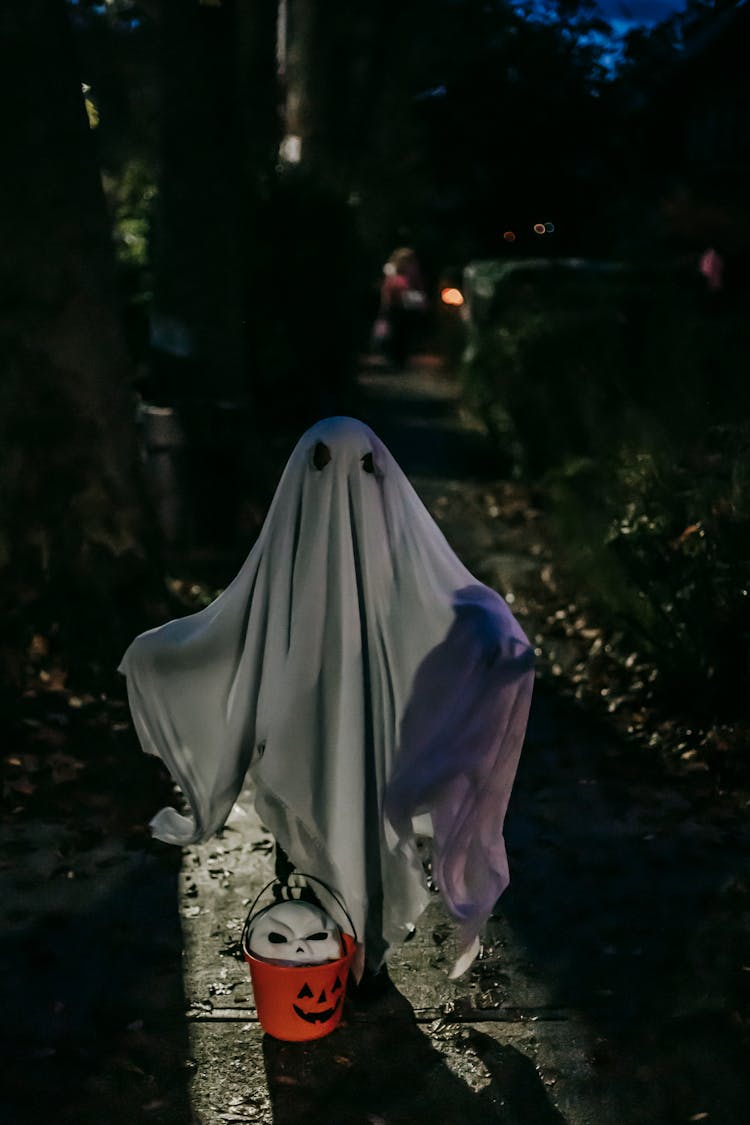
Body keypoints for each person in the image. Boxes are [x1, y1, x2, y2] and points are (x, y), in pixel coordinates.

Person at [119, 417, 534, 981]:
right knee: (310, 841)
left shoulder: (391, 563)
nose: (342, 485)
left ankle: (364, 962)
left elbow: (448, 610)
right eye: (322, 466)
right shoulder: (289, 562)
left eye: (362, 469)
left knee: (364, 840)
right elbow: (231, 632)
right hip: (301, 737)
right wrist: (159, 655)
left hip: (377, 738)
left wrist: (496, 636)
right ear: (301, 475)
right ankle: (321, 962)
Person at [377, 248, 427, 370]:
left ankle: (400, 360)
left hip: (407, 307)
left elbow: (418, 288)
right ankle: (394, 359)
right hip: (395, 307)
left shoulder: (412, 273)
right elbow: (387, 289)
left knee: (404, 334)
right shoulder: (392, 271)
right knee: (395, 333)